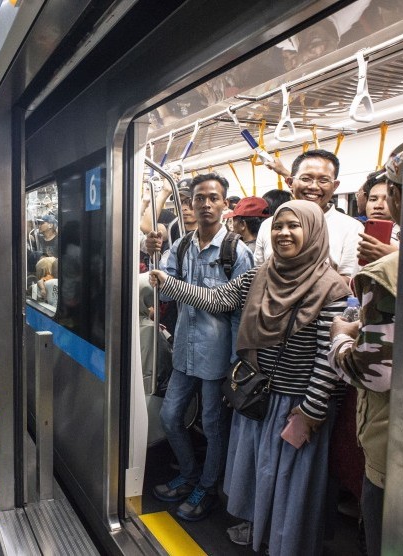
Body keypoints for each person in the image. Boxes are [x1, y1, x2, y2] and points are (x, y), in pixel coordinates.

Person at [150, 200, 350, 555]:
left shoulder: (331, 288)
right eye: (278, 226)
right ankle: (258, 532)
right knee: (262, 473)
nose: (283, 233)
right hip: (259, 398)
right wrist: (169, 282)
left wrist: (312, 410)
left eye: (294, 226)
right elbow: (216, 299)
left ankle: (284, 543)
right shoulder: (260, 275)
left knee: (288, 482)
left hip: (297, 404)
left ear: (315, 232)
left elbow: (326, 359)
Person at [146, 173, 254, 521]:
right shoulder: (180, 246)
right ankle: (191, 474)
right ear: (190, 203)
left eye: (213, 198)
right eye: (199, 198)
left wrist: (237, 364)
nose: (205, 204)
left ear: (225, 204)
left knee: (212, 424)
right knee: (170, 417)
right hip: (185, 351)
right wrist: (153, 257)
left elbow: (237, 308)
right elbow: (162, 290)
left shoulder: (237, 252)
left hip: (218, 355)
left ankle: (206, 488)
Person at [329, 146, 403, 556]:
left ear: (394, 195)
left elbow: (373, 371)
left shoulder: (384, 274)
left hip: (397, 441)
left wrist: (341, 337)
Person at [255, 149, 363, 281]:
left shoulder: (351, 229)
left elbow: (349, 282)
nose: (314, 186)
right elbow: (259, 274)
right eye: (306, 179)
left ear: (334, 186)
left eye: (323, 180)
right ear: (290, 183)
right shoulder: (269, 225)